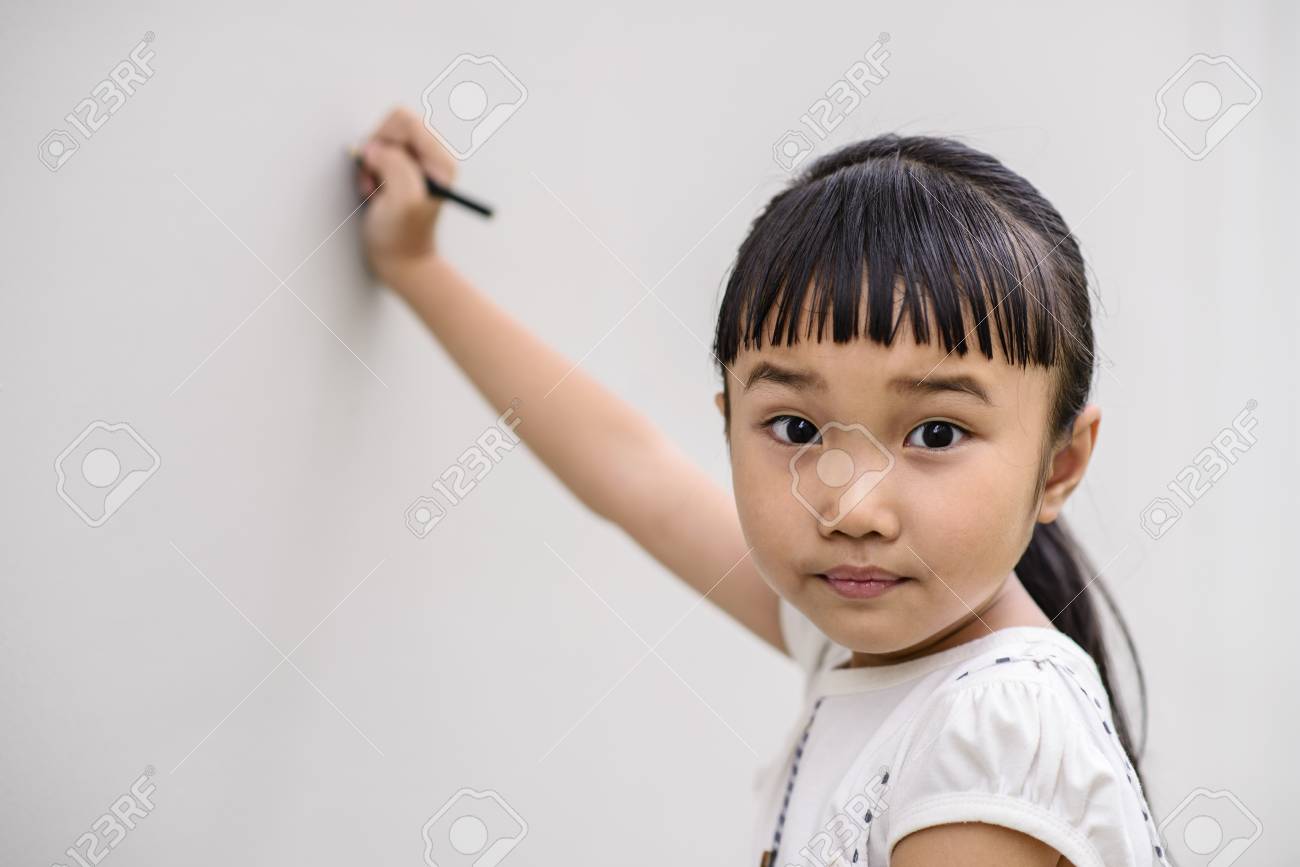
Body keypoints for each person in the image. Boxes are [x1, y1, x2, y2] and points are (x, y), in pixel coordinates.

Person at [354, 106, 1163, 867]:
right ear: (730, 423)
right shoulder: (879, 641)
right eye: (798, 429)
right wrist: (415, 267)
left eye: (936, 434)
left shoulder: (991, 732)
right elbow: (634, 473)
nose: (852, 509)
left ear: (1059, 465)